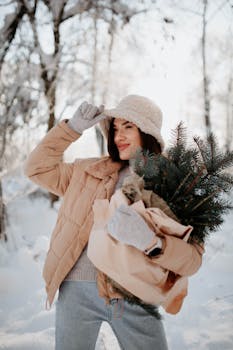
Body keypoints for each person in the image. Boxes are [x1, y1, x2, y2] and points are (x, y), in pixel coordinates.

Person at [24, 95, 203, 350]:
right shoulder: (87, 171)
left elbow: (192, 259)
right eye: (115, 127)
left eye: (128, 127)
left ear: (147, 131)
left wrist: (152, 243)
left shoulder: (170, 182)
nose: (118, 135)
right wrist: (71, 129)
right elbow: (35, 168)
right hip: (76, 292)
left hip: (134, 295)